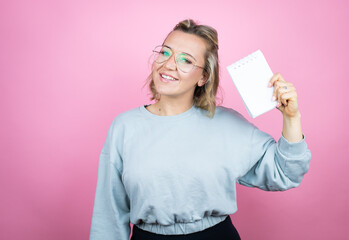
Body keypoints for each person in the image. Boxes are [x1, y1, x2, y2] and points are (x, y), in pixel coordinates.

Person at [89, 19, 311, 240]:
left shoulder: (227, 124)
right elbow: (109, 214)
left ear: (203, 77)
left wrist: (292, 117)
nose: (168, 65)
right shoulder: (124, 127)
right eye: (165, 53)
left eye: (186, 60)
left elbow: (285, 173)